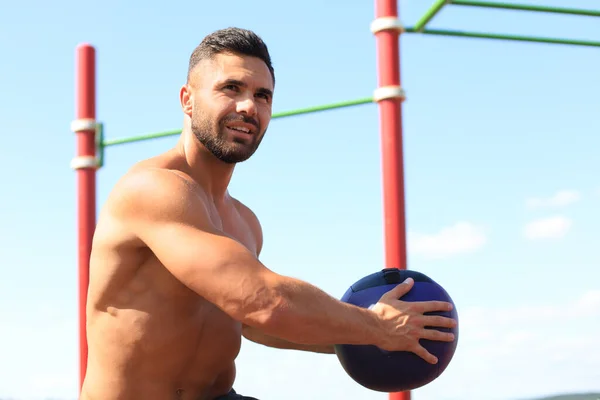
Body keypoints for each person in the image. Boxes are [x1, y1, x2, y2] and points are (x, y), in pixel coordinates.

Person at [80, 27, 457, 400]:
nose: (249, 106)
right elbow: (261, 301)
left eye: (263, 96)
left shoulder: (244, 222)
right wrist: (375, 326)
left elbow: (246, 322)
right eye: (231, 88)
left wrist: (361, 336)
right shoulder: (153, 189)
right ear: (187, 99)